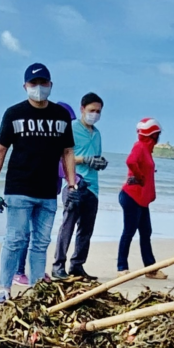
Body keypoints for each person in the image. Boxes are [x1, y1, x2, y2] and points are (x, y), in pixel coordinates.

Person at [0, 63, 79, 305]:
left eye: (43, 83)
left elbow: (67, 152)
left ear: (50, 85)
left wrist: (71, 184)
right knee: (15, 239)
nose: (39, 88)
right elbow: (0, 150)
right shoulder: (14, 113)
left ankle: (38, 290)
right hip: (19, 188)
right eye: (33, 84)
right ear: (25, 86)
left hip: (48, 191)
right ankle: (4, 288)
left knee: (41, 242)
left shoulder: (60, 116)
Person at [53, 93, 106, 279]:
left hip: (93, 186)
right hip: (75, 183)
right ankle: (58, 265)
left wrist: (99, 162)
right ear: (82, 109)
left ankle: (77, 266)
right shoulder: (72, 129)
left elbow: (95, 156)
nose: (95, 114)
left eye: (98, 111)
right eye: (92, 110)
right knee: (68, 225)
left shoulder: (97, 134)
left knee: (86, 230)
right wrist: (84, 159)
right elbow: (61, 156)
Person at [118, 118, 163, 278]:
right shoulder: (140, 146)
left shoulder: (146, 149)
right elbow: (130, 161)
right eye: (157, 134)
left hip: (141, 200)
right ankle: (122, 268)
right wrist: (140, 176)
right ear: (153, 134)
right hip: (132, 197)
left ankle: (150, 269)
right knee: (129, 231)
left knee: (146, 232)